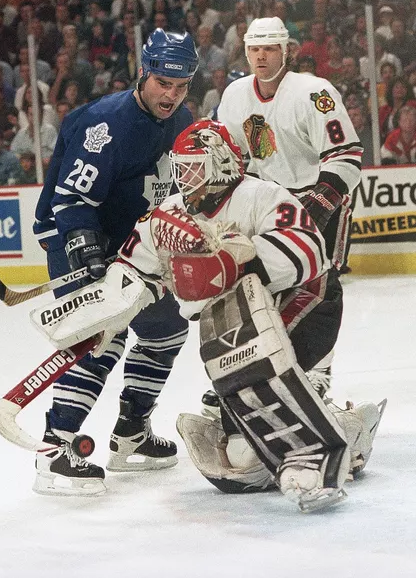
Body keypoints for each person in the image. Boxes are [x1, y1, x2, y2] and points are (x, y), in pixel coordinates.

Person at [34, 120, 384, 511]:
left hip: (306, 301)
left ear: (222, 163)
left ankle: (335, 444)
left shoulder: (263, 195)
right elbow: (134, 271)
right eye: (180, 167)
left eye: (194, 166)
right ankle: (322, 426)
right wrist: (107, 314)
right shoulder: (169, 214)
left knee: (271, 393)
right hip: (239, 321)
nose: (184, 177)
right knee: (241, 459)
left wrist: (233, 264)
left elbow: (307, 253)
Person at [30, 28, 198, 496]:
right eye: (164, 82)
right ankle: (54, 451)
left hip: (135, 246)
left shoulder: (181, 117)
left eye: (182, 85)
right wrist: (86, 250)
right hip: (77, 241)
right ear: (144, 73)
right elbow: (71, 200)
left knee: (167, 329)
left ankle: (130, 435)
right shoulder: (105, 124)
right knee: (102, 337)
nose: (172, 94)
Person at [217, 16, 362, 389]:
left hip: (321, 196)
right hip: (272, 200)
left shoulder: (315, 92)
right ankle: (261, 364)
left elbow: (345, 156)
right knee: (265, 282)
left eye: (269, 48)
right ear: (245, 52)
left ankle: (318, 370)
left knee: (320, 284)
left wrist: (317, 203)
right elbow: (231, 159)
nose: (261, 56)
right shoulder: (235, 96)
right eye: (254, 49)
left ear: (287, 51)